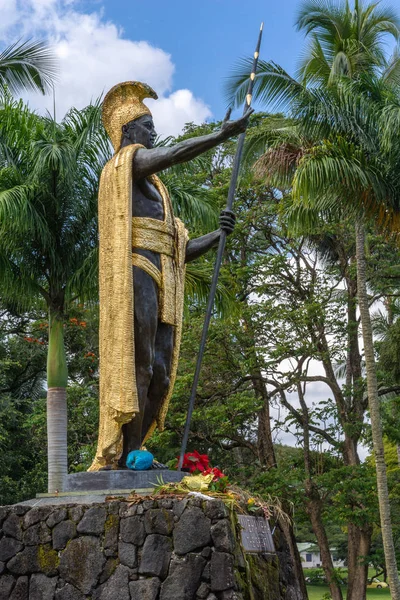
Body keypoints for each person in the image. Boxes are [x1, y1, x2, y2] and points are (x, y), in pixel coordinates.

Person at [89, 81, 252, 471]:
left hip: (162, 272)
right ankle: (129, 454)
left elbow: (179, 251)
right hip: (137, 273)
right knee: (140, 363)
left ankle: (139, 448)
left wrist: (219, 234)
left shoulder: (159, 193)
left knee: (160, 372)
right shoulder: (124, 165)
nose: (152, 132)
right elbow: (175, 153)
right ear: (127, 132)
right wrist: (221, 134)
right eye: (146, 125)